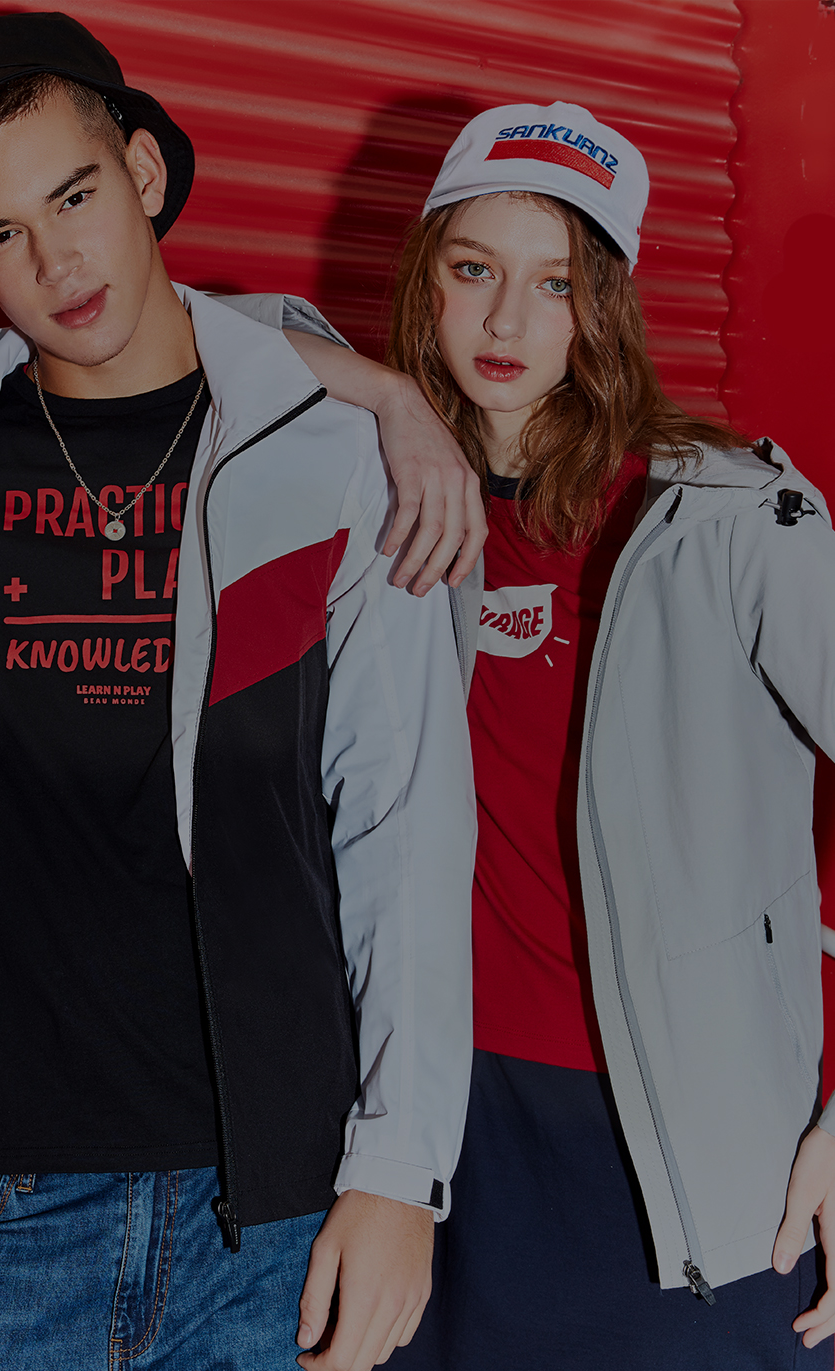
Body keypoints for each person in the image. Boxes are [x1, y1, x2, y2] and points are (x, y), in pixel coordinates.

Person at [0, 13, 484, 1369]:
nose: (56, 262)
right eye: (2, 232)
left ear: (143, 170)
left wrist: (400, 1174)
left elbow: (404, 824)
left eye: (73, 196)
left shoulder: (327, 466)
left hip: (268, 1211)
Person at [333, 99, 835, 1368]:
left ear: (605, 304)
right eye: (473, 269)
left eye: (555, 282)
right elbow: (175, 335)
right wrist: (384, 395)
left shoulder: (725, 518)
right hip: (432, 1128)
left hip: (680, 1141)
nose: (506, 322)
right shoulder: (374, 495)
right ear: (425, 277)